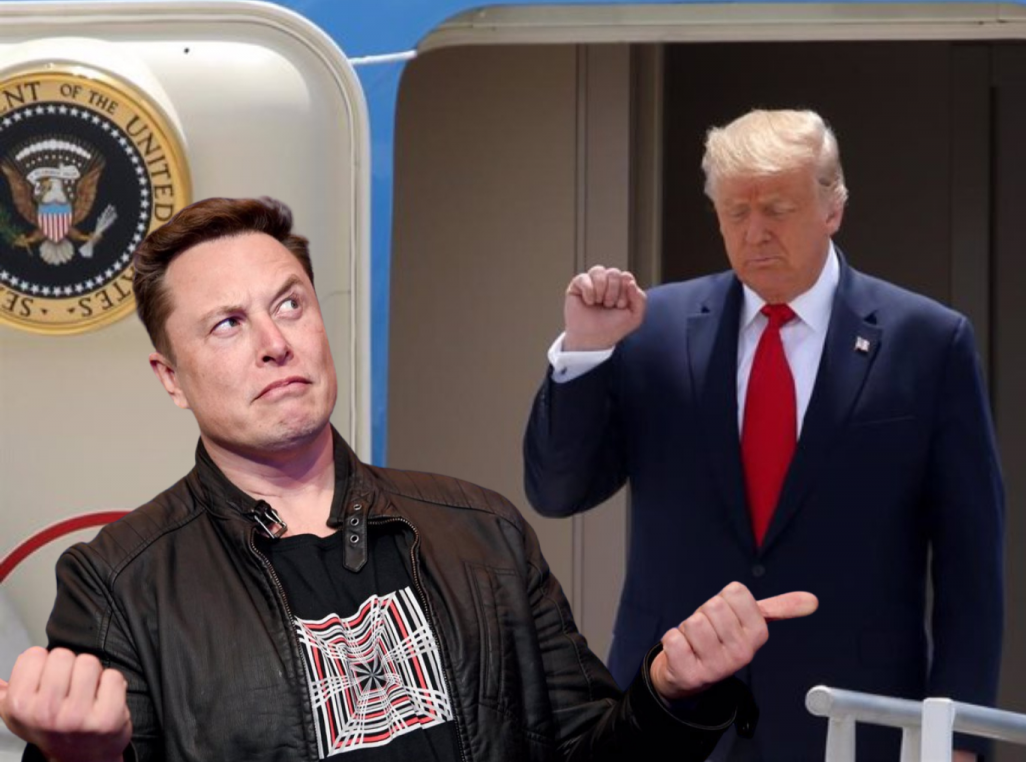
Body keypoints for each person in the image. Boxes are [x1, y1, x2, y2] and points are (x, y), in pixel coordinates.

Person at [0, 197, 819, 762]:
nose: (275, 344)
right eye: (227, 325)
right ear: (171, 378)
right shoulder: (118, 583)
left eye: (290, 305)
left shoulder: (482, 532)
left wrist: (673, 691)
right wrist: (81, 758)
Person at [523, 109, 1004, 761]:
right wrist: (584, 353)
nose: (755, 233)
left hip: (848, 719)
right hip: (673, 714)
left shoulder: (928, 342)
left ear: (833, 208)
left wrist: (958, 741)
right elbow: (558, 490)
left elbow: (971, 565)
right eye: (735, 212)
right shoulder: (652, 328)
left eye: (777, 209)